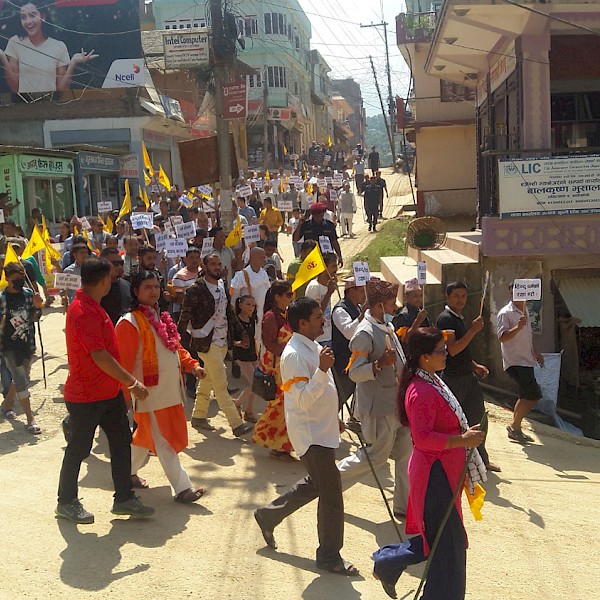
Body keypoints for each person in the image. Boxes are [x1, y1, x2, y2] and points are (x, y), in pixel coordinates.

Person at [372, 328, 487, 600]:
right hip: (434, 475)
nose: (446, 354)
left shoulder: (433, 380)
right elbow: (423, 438)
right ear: (424, 357)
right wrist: (461, 439)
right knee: (446, 546)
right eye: (440, 350)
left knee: (442, 543)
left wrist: (462, 434)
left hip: (445, 472)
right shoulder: (421, 391)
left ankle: (388, 563)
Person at [253, 297, 359, 577]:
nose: (323, 320)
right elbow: (301, 399)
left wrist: (332, 416)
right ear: (302, 323)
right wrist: (322, 370)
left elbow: (321, 391)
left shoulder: (313, 346)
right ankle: (329, 556)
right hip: (311, 435)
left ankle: (268, 514)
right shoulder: (294, 355)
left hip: (322, 428)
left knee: (317, 483)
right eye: (317, 317)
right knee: (331, 493)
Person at [56, 258, 155, 524]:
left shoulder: (93, 306)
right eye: (110, 278)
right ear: (103, 281)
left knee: (121, 443)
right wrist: (131, 383)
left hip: (108, 393)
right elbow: (99, 355)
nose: (112, 282)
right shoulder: (83, 311)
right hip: (86, 396)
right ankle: (66, 502)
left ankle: (123, 498)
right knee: (79, 449)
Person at [115, 271, 206, 503]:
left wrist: (192, 365)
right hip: (148, 394)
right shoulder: (129, 323)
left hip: (169, 391)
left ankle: (128, 473)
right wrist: (125, 395)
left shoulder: (161, 317)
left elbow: (175, 348)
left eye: (156, 286)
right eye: (147, 287)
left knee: (144, 436)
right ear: (135, 291)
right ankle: (183, 488)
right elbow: (122, 364)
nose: (153, 291)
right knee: (163, 439)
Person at [338, 278, 412, 519]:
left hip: (398, 404)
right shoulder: (364, 333)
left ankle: (404, 506)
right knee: (375, 457)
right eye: (391, 303)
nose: (395, 307)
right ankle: (330, 481)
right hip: (380, 408)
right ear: (380, 305)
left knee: (406, 455)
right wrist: (379, 364)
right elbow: (354, 372)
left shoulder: (386, 326)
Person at [178, 253, 253, 438]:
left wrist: (241, 333)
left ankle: (198, 416)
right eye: (213, 264)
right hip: (205, 342)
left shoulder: (221, 285)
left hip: (222, 341)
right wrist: (177, 342)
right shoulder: (195, 289)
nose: (217, 267)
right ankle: (236, 423)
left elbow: (229, 313)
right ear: (204, 266)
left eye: (219, 264)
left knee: (208, 379)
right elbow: (185, 316)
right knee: (221, 384)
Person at [436, 282, 500, 472]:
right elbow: (453, 350)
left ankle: (481, 460)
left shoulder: (458, 318)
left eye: (463, 296)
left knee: (478, 417)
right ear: (447, 296)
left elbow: (462, 351)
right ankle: (450, 460)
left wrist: (474, 366)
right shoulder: (446, 319)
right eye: (456, 296)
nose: (460, 300)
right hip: (453, 378)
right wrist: (473, 330)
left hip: (467, 376)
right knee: (452, 421)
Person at [0, 1, 98, 94]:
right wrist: (3, 57)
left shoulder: (59, 46)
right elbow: (15, 87)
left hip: (51, 105)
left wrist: (73, 62)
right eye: (23, 17)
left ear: (43, 16)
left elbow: (61, 89)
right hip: (25, 104)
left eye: (32, 15)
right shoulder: (15, 42)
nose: (28, 21)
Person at [252, 280, 295, 460]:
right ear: (277, 297)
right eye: (288, 295)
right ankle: (276, 445)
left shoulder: (287, 314)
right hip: (277, 367)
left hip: (288, 364)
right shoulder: (271, 317)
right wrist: (288, 351)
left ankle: (284, 445)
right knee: (280, 406)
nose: (292, 298)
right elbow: (269, 343)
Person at [497, 281, 544, 443]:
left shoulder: (525, 311)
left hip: (526, 360)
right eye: (515, 292)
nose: (518, 295)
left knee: (525, 395)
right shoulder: (506, 313)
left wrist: (534, 352)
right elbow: (503, 337)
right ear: (510, 293)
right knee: (534, 395)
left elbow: (527, 336)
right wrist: (517, 327)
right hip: (515, 361)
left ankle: (515, 428)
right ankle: (514, 426)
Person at [0, 261, 43, 433]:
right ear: (7, 279)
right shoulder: (2, 299)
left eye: (21, 277)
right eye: (15, 278)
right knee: (21, 379)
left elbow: (35, 317)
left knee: (23, 375)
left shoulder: (28, 294)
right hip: (9, 347)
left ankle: (7, 404)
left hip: (27, 343)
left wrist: (37, 306)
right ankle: (30, 418)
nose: (19, 281)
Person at [331, 277, 367, 409]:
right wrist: (362, 315)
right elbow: (349, 333)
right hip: (344, 362)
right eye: (362, 291)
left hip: (358, 360)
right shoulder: (340, 310)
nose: (365, 295)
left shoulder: (357, 307)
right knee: (340, 397)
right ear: (352, 291)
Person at [230, 247, 271, 345]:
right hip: (246, 318)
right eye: (261, 257)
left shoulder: (264, 273)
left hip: (260, 315)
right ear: (252, 258)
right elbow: (234, 300)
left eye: (264, 257)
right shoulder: (241, 276)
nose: (264, 260)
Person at [233, 295, 259, 423]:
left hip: (252, 353)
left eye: (253, 305)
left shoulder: (252, 320)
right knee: (254, 383)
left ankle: (249, 411)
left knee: (257, 384)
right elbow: (229, 340)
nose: (251, 307)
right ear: (240, 305)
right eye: (248, 304)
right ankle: (237, 404)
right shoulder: (236, 321)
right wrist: (239, 343)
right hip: (241, 354)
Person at [293, 203, 343, 267]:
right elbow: (295, 239)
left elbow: (334, 242)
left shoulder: (329, 225)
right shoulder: (306, 225)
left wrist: (339, 256)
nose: (318, 218)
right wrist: (300, 224)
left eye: (320, 215)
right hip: (311, 258)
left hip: (326, 258)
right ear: (312, 215)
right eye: (316, 216)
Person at [305, 253, 338, 348]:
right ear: (323, 268)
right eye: (333, 266)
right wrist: (329, 293)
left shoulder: (327, 285)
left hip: (328, 334)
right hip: (319, 338)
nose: (336, 270)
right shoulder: (314, 287)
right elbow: (315, 313)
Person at [99, 248, 131, 326]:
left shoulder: (128, 285)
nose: (120, 266)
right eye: (115, 263)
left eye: (121, 263)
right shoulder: (97, 289)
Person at [171, 247, 201, 322]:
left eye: (197, 257)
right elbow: (179, 299)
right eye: (192, 258)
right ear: (186, 259)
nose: (195, 260)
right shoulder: (179, 276)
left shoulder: (204, 273)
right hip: (186, 315)